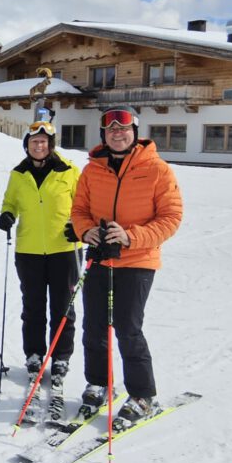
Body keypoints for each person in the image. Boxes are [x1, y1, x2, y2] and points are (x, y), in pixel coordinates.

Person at [70, 106, 182, 429]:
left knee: (127, 328)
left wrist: (131, 237)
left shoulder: (157, 170)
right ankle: (99, 383)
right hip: (100, 257)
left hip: (138, 260)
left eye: (123, 128)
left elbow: (171, 217)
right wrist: (86, 231)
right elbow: (78, 210)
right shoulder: (92, 169)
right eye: (111, 129)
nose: (117, 133)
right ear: (104, 135)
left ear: (135, 132)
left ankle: (143, 395)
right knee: (94, 326)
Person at [0, 121, 81, 409]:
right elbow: (9, 202)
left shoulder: (69, 170)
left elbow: (84, 205)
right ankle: (34, 354)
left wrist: (79, 227)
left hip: (64, 248)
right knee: (32, 306)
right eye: (34, 142)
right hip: (29, 249)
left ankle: (60, 357)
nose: (39, 145)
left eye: (44, 141)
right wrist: (7, 215)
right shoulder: (18, 174)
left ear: (51, 144)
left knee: (63, 307)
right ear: (27, 145)